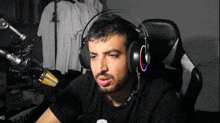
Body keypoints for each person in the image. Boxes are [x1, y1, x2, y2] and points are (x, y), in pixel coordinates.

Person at [36, 13, 185, 123]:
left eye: (112, 55)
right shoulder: (83, 86)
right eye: (94, 57)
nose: (100, 68)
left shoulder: (160, 100)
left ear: (135, 58)